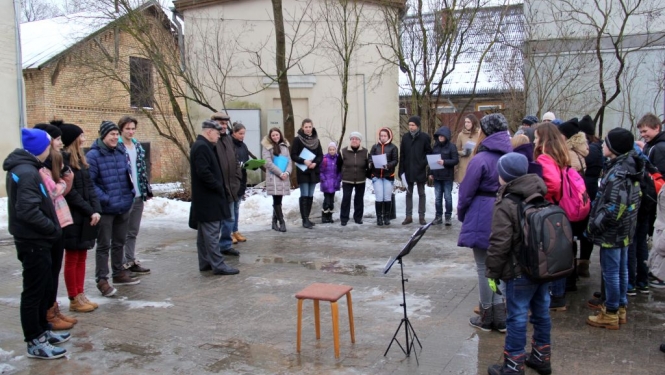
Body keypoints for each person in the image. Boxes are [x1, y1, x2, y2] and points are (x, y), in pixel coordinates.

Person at [4, 128, 69, 359]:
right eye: (49, 146)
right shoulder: (27, 172)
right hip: (33, 241)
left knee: (42, 289)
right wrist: (52, 228)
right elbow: (28, 210)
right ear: (41, 148)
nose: (52, 150)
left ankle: (43, 330)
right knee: (34, 292)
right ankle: (35, 341)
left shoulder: (29, 169)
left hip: (38, 240)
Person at [486, 152, 552, 375]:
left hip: (518, 270)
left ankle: (513, 366)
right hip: (541, 268)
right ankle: (542, 357)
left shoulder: (507, 203)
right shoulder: (538, 192)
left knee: (516, 316)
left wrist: (492, 273)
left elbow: (499, 242)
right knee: (542, 312)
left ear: (505, 176)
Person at [457, 113, 512, 332]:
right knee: (501, 266)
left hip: (482, 212)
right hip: (506, 214)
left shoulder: (480, 159)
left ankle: (487, 315)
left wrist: (463, 214)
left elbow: (465, 192)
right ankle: (501, 315)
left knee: (483, 268)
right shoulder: (512, 156)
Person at [586, 128, 642, 330]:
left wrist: (593, 226)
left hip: (613, 232)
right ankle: (620, 308)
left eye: (606, 143)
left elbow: (613, 208)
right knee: (621, 269)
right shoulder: (629, 166)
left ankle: (610, 312)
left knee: (611, 272)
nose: (602, 146)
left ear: (614, 148)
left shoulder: (618, 173)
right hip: (625, 230)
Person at [87, 120, 139, 297]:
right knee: (103, 246)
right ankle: (102, 279)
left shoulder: (120, 151)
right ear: (103, 135)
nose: (115, 137)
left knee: (119, 242)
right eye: (112, 134)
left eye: (117, 134)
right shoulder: (93, 156)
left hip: (123, 205)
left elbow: (127, 175)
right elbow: (90, 183)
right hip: (106, 209)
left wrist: (130, 192)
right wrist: (106, 198)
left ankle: (119, 273)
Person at [33, 123, 77, 330]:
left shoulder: (56, 161)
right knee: (47, 274)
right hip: (49, 224)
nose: (61, 143)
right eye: (57, 139)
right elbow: (54, 191)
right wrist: (63, 182)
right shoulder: (40, 168)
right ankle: (48, 314)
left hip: (58, 220)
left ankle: (53, 309)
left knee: (54, 270)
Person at [57, 122, 101, 313]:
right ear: (73, 140)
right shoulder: (63, 162)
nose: (84, 139)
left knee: (82, 256)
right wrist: (89, 211)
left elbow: (90, 188)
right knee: (72, 257)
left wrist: (96, 209)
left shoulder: (81, 161)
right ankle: (74, 297)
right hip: (74, 216)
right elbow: (70, 193)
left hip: (86, 215)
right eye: (81, 136)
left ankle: (81, 293)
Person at [189, 120, 239, 275]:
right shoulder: (202, 147)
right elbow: (203, 172)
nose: (218, 136)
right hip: (208, 199)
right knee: (211, 233)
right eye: (217, 133)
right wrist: (218, 186)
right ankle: (218, 264)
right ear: (209, 131)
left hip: (205, 199)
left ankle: (205, 262)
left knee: (204, 235)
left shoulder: (203, 145)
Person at [533, 122, 570, 311]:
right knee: (559, 251)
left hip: (549, 208)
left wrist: (540, 193)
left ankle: (554, 297)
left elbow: (553, 184)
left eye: (536, 136)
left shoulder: (545, 158)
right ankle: (559, 295)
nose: (534, 140)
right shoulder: (560, 155)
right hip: (560, 208)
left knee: (549, 252)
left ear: (544, 138)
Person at [558, 118, 590, 293]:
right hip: (579, 202)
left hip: (568, 203)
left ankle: (568, 280)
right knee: (572, 240)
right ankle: (573, 276)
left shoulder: (568, 154)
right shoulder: (581, 152)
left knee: (566, 242)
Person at [117, 116, 153, 275]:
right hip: (124, 195)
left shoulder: (137, 145)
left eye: (133, 128)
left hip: (138, 193)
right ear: (121, 130)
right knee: (121, 232)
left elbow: (142, 170)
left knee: (133, 231)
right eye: (127, 129)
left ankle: (130, 260)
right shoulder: (117, 146)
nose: (131, 132)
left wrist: (146, 188)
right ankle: (120, 263)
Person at [212, 112, 242, 255]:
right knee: (216, 220)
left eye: (225, 123)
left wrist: (237, 177)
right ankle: (213, 247)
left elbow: (235, 160)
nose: (223, 126)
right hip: (218, 187)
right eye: (220, 123)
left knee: (229, 217)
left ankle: (225, 245)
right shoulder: (212, 141)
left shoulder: (229, 140)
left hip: (231, 186)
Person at [578, 115, 603, 279]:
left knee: (579, 228)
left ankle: (577, 266)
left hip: (582, 191)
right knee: (587, 230)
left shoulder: (587, 149)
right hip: (593, 191)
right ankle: (584, 263)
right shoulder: (599, 146)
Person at [399, 116, 432, 225]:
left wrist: (423, 163)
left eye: (413, 125)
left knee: (421, 193)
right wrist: (401, 170)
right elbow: (402, 154)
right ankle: (408, 216)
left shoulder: (424, 137)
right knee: (409, 194)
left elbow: (429, 153)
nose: (411, 127)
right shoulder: (405, 138)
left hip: (420, 169)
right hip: (408, 169)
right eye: (409, 125)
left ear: (417, 126)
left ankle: (421, 216)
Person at [291, 118, 323, 228]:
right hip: (303, 170)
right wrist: (303, 161)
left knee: (310, 195)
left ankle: (308, 218)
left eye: (310, 127)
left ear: (312, 127)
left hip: (313, 170)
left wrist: (315, 163)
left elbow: (320, 155)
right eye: (306, 127)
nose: (308, 129)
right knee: (304, 195)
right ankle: (304, 220)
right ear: (302, 128)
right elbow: (293, 155)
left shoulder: (316, 140)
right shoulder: (297, 140)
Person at [262, 127, 292, 232]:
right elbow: (267, 163)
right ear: (270, 137)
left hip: (284, 176)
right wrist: (280, 173)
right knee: (277, 200)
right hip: (274, 176)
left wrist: (287, 173)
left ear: (280, 135)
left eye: (277, 134)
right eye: (273, 135)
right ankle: (282, 222)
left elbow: (289, 161)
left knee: (279, 200)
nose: (275, 137)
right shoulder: (267, 147)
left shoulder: (285, 146)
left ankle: (274, 222)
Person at [429, 126, 458, 225]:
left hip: (447, 176)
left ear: (446, 137)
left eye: (442, 136)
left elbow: (455, 160)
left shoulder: (452, 147)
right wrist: (431, 173)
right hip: (437, 176)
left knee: (447, 197)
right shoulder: (435, 146)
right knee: (437, 198)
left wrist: (444, 162)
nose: (440, 138)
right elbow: (432, 160)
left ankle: (448, 216)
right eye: (439, 136)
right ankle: (438, 216)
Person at [369, 127, 398, 226]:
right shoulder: (375, 147)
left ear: (389, 136)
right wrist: (370, 162)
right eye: (381, 136)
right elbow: (370, 157)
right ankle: (379, 218)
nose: (383, 137)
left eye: (385, 136)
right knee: (379, 197)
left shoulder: (393, 147)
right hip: (376, 175)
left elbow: (395, 160)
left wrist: (388, 165)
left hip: (388, 176)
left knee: (387, 197)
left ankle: (386, 217)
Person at [339, 132, 369, 226]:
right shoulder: (343, 151)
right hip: (347, 179)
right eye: (352, 139)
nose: (354, 140)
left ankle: (358, 218)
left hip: (360, 179)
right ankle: (344, 218)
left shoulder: (365, 152)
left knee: (359, 199)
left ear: (360, 141)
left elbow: (369, 165)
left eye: (356, 139)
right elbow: (338, 165)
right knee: (346, 199)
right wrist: (342, 174)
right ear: (350, 140)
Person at [231, 122, 250, 242]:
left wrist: (250, 165)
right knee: (231, 209)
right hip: (233, 180)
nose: (242, 136)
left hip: (241, 179)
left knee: (236, 208)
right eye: (240, 133)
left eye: (244, 134)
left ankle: (235, 230)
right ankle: (229, 232)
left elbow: (246, 159)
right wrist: (239, 165)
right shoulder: (229, 144)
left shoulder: (243, 146)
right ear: (234, 133)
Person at [319, 142, 341, 224]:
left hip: (334, 183)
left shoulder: (338, 159)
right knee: (327, 201)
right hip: (326, 184)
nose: (332, 151)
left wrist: (338, 180)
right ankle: (324, 216)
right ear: (328, 150)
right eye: (330, 149)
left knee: (331, 201)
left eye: (333, 149)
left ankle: (330, 216)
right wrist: (323, 180)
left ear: (336, 150)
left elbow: (340, 171)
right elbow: (321, 171)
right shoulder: (324, 159)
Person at [456, 114, 480, 184]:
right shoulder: (461, 135)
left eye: (468, 122)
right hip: (464, 164)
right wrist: (462, 153)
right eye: (465, 122)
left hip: (476, 163)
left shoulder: (479, 134)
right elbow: (456, 150)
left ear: (473, 123)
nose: (466, 124)